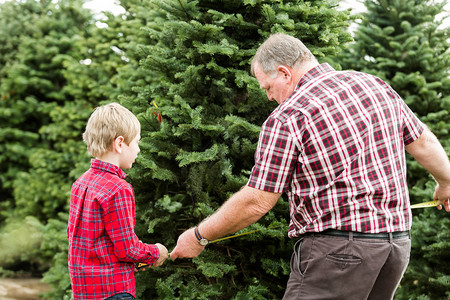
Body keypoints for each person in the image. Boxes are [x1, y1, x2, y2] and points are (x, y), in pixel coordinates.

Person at [170, 33, 450, 299]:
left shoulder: (288, 116)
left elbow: (256, 201)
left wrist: (199, 236)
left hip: (339, 253)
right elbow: (423, 141)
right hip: (396, 246)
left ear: (284, 72)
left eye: (267, 87)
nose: (268, 96)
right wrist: (446, 182)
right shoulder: (374, 85)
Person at [68, 103, 168, 300]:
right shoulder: (118, 189)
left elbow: (89, 242)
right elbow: (127, 249)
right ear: (120, 143)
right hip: (113, 291)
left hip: (84, 291)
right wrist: (156, 252)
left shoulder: (80, 184)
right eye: (137, 142)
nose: (139, 150)